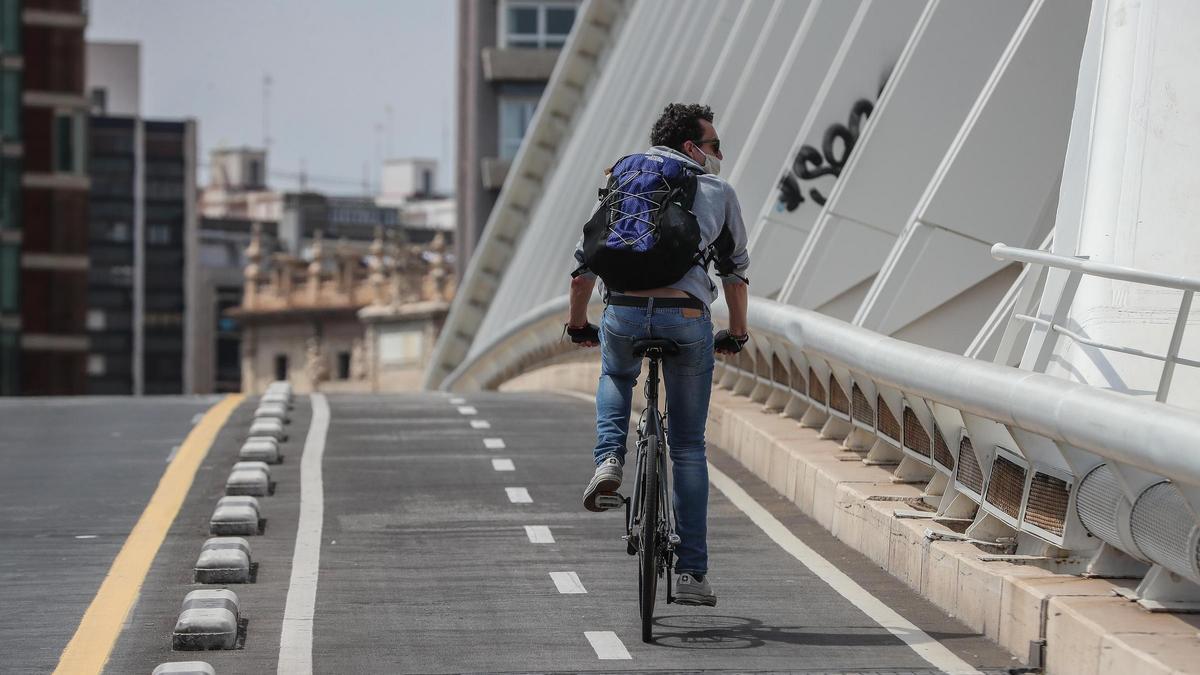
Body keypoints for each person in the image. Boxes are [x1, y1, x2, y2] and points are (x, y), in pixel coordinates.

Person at [565, 103, 750, 607]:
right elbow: (734, 274)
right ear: (692, 148)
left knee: (616, 372)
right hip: (687, 319)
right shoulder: (717, 193)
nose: (719, 155)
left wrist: (580, 323)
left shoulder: (622, 179)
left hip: (622, 312)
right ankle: (691, 573)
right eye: (714, 146)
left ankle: (608, 459)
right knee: (688, 446)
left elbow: (584, 269)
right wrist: (736, 332)